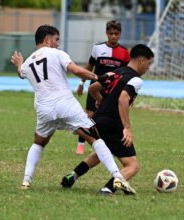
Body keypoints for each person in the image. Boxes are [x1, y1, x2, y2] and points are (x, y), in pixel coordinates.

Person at [11, 24, 135, 194]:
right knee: (95, 138)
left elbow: (21, 73)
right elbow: (76, 70)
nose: (57, 43)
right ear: (47, 40)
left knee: (39, 142)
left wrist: (18, 63)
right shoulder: (57, 53)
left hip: (43, 108)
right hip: (65, 104)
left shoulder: (28, 62)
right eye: (56, 40)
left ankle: (26, 180)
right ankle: (118, 177)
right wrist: (100, 77)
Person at [61, 44, 154, 195]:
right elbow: (123, 100)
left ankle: (73, 175)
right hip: (113, 124)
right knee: (132, 166)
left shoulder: (116, 73)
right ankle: (108, 189)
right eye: (149, 64)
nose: (149, 68)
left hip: (98, 120)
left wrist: (100, 100)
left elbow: (92, 89)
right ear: (142, 61)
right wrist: (127, 128)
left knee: (102, 152)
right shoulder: (136, 79)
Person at [75, 20, 130, 155]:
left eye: (116, 34)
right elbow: (89, 67)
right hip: (95, 88)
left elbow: (127, 73)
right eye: (110, 33)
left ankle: (105, 145)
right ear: (106, 33)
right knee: (89, 117)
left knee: (109, 118)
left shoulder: (124, 52)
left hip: (112, 92)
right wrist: (82, 83)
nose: (113, 36)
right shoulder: (97, 48)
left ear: (120, 34)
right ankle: (81, 145)